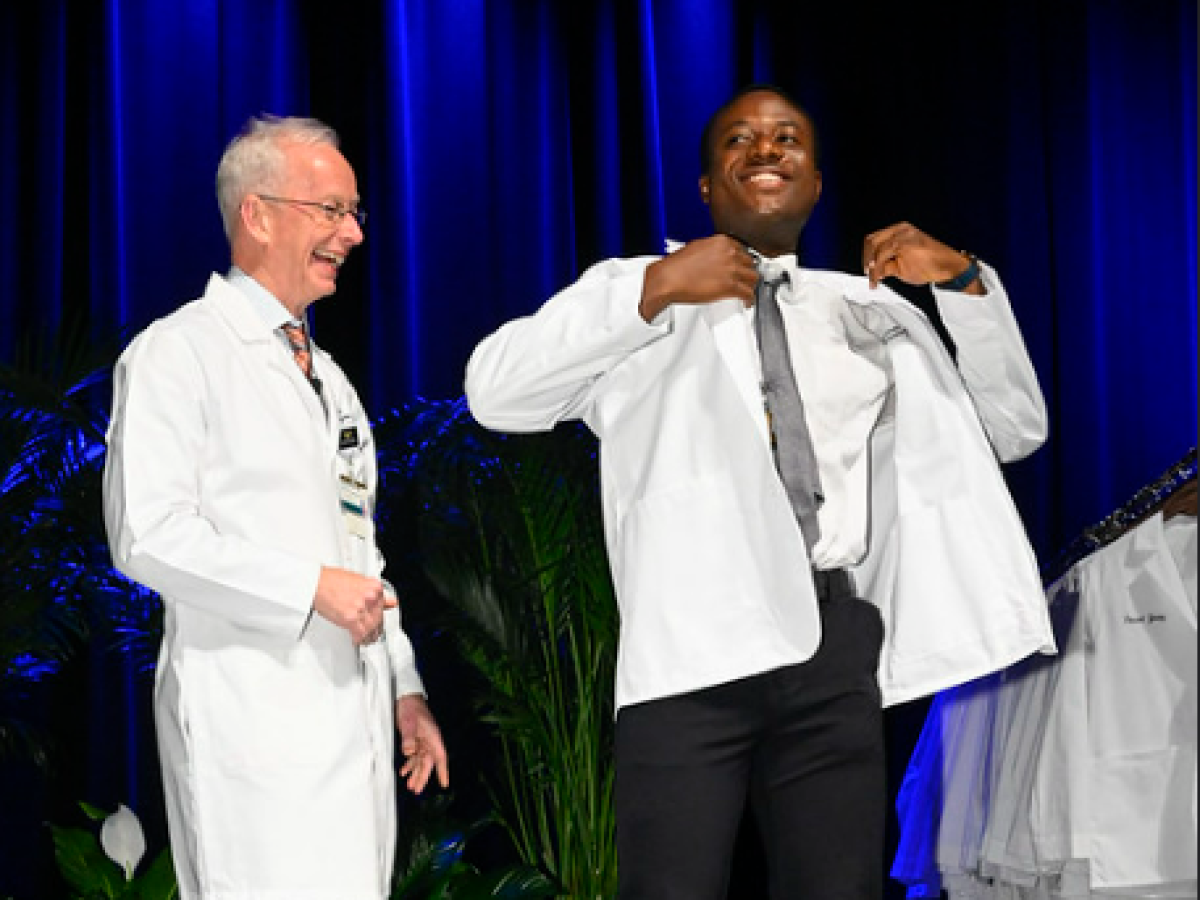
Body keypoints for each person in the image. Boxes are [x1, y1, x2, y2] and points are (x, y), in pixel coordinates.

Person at [464, 85, 1054, 899]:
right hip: (690, 646)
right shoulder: (642, 292)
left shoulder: (862, 309)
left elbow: (1012, 429)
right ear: (707, 187)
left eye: (787, 138)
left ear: (816, 182)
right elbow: (497, 394)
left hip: (833, 644)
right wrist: (654, 290)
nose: (766, 148)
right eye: (739, 139)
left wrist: (962, 283)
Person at [103, 115, 448, 900]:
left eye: (355, 212)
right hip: (249, 725)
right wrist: (308, 588)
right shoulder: (177, 353)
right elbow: (146, 534)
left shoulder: (330, 378)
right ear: (256, 215)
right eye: (331, 210)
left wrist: (404, 686)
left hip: (352, 721)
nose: (354, 234)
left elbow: (360, 551)